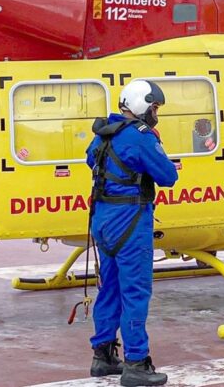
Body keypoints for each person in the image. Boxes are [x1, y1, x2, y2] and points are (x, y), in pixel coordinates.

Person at [86, 79, 178, 386]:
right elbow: (167, 176)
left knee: (109, 289)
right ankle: (136, 362)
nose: (155, 114)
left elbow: (91, 160)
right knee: (135, 292)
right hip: (130, 221)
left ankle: (103, 356)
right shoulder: (140, 137)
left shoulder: (103, 134)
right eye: (154, 108)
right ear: (141, 105)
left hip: (103, 221)